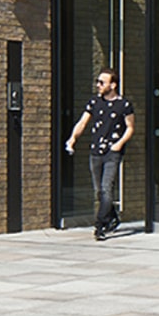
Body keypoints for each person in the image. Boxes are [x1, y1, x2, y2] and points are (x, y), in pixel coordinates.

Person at [66, 67, 134, 240]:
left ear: (113, 85)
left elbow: (130, 128)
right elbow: (82, 122)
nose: (98, 85)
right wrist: (73, 139)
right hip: (96, 151)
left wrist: (119, 144)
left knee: (106, 188)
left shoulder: (124, 105)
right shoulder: (94, 102)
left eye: (102, 82)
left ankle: (100, 226)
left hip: (113, 152)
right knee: (99, 191)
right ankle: (113, 218)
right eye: (98, 82)